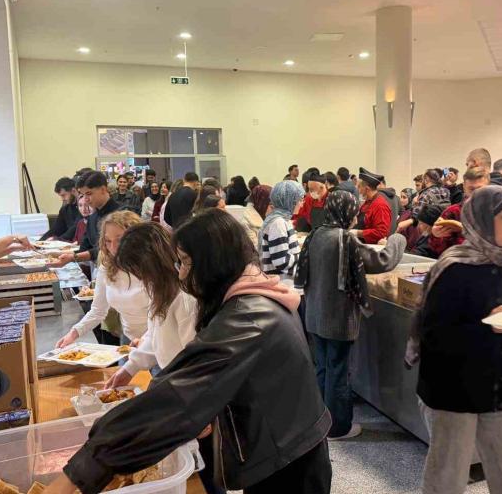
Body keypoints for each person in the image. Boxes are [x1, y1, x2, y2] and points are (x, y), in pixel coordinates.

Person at [44, 210, 333, 494]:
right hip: (280, 447)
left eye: (184, 262)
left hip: (289, 460)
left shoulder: (247, 317)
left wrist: (82, 469)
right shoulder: (247, 297)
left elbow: (178, 396)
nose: (180, 272)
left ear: (212, 263)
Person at [417, 185, 502, 494]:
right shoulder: (453, 268)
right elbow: (432, 338)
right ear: (484, 218)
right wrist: (486, 324)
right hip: (453, 393)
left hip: (497, 388)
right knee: (446, 482)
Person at [102, 222, 222, 494]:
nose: (140, 279)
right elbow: (154, 336)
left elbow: (198, 360)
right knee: (193, 464)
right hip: (177, 391)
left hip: (193, 395)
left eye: (140, 272)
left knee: (207, 472)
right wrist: (130, 368)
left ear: (154, 263)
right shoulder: (160, 290)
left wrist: (203, 410)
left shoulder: (186, 297)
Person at [296, 190, 405, 439]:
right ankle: (338, 427)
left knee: (323, 369)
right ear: (346, 212)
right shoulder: (344, 240)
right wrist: (397, 238)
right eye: (355, 212)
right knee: (339, 373)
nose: (356, 217)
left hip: (315, 315)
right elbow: (382, 261)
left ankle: (321, 421)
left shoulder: (316, 234)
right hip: (338, 319)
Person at [56, 211, 149, 349]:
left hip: (158, 339)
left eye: (120, 239)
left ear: (136, 238)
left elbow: (163, 317)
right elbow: (98, 310)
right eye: (108, 241)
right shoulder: (107, 268)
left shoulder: (152, 267)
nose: (113, 247)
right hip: (128, 338)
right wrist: (73, 333)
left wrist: (146, 341)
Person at [54, 171, 120, 266]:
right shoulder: (92, 218)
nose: (85, 199)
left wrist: (73, 257)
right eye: (83, 194)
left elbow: (108, 249)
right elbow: (84, 248)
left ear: (103, 189)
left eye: (89, 193)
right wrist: (59, 255)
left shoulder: (121, 215)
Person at [427, 167, 490, 257]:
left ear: (488, 187)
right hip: (459, 261)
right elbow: (437, 250)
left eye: (480, 189)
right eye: (471, 189)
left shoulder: (498, 212)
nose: (476, 194)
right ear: (464, 187)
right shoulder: (452, 212)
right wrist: (436, 236)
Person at [259, 181, 304, 283]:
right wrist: (304, 257)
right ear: (290, 201)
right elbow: (281, 261)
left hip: (284, 281)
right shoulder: (278, 223)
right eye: (300, 200)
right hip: (282, 282)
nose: (302, 204)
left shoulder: (281, 219)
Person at [397, 169, 450, 234]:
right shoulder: (446, 191)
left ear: (426, 180)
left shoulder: (426, 193)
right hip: (443, 225)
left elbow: (417, 214)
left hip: (430, 227)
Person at [351, 168, 391, 244]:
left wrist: (358, 233)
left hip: (371, 247)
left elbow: (381, 232)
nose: (357, 190)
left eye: (359, 187)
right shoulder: (368, 202)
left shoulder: (380, 205)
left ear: (367, 189)